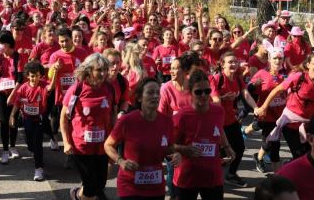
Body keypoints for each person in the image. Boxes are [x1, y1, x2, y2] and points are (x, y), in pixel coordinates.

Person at [104, 78, 181, 200]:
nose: (155, 96)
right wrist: (121, 161)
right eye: (150, 93)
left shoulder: (166, 122)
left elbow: (169, 149)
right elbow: (108, 145)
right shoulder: (127, 121)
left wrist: (175, 154)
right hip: (130, 185)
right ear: (139, 98)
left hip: (156, 186)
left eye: (157, 93)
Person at [173, 68, 236, 200]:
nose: (204, 95)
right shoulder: (182, 115)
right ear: (190, 92)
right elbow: (169, 145)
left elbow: (219, 128)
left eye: (207, 91)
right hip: (187, 177)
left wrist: (227, 146)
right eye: (198, 92)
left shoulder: (218, 111)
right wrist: (184, 149)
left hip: (212, 176)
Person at [60, 53, 115, 200]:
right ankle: (78, 195)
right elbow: (64, 117)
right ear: (89, 70)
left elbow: (112, 115)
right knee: (91, 187)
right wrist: (65, 142)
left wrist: (114, 140)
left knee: (100, 184)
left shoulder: (109, 88)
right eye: (99, 70)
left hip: (103, 146)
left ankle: (80, 194)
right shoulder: (77, 89)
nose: (103, 73)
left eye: (105, 69)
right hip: (81, 146)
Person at [256, 52, 314, 159]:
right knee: (298, 154)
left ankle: (291, 167)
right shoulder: (298, 78)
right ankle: (261, 158)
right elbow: (276, 90)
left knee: (309, 155)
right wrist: (263, 107)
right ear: (308, 64)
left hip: (309, 124)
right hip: (291, 123)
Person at [211, 52, 258, 187]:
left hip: (232, 120)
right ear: (222, 64)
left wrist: (256, 108)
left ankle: (231, 174)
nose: (233, 64)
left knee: (239, 147)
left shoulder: (238, 79)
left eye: (235, 62)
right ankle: (212, 178)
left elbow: (245, 93)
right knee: (218, 152)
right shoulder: (217, 78)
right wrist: (223, 98)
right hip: (218, 122)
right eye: (230, 62)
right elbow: (215, 100)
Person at [245, 40, 287, 173]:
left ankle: (258, 157)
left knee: (270, 143)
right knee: (273, 145)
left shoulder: (286, 75)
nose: (277, 61)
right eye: (275, 58)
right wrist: (253, 85)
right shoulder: (262, 73)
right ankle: (277, 180)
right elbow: (247, 90)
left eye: (280, 58)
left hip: (280, 116)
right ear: (269, 59)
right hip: (265, 114)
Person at [8, 61, 51, 181]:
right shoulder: (23, 88)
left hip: (39, 119)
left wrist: (56, 72)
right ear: (28, 75)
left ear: (40, 75)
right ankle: (35, 152)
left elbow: (51, 87)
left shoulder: (43, 85)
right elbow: (17, 103)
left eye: (37, 75)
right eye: (32, 76)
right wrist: (12, 115)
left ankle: (39, 168)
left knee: (37, 143)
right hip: (27, 119)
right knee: (30, 144)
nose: (34, 78)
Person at [0, 31, 26, 164]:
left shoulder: (18, 57)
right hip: (1, 93)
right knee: (3, 120)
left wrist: (12, 95)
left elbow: (19, 78)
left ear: (9, 44)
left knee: (13, 120)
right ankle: (5, 149)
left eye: (1, 44)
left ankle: (12, 146)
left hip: (14, 93)